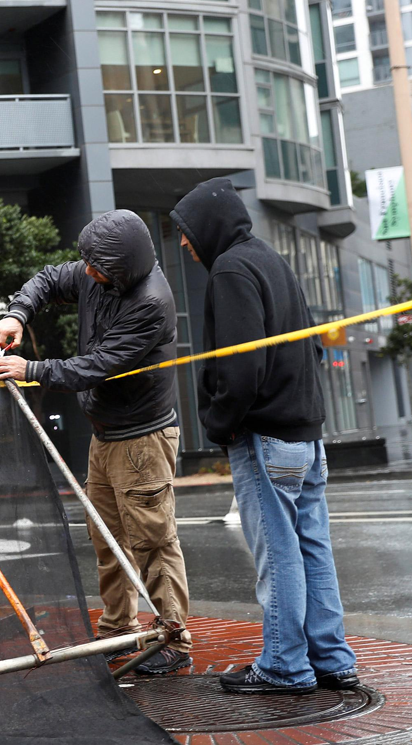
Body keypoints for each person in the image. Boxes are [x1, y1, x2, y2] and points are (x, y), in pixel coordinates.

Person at [170, 177, 358, 695]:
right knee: (312, 548)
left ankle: (283, 666)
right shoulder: (273, 260)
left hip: (265, 435)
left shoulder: (231, 269)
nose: (185, 243)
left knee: (278, 554)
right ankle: (333, 660)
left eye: (186, 232)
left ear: (208, 226)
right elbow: (310, 348)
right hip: (305, 433)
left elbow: (242, 365)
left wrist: (221, 422)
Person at [0, 209, 191, 675]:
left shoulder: (150, 302)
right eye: (87, 264)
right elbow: (47, 279)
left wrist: (33, 370)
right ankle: (118, 630)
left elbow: (99, 364)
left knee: (152, 543)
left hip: (143, 440)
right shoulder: (98, 273)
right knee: (107, 537)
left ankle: (175, 642)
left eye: (97, 268)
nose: (87, 273)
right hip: (107, 435)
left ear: (121, 269)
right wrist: (18, 313)